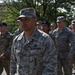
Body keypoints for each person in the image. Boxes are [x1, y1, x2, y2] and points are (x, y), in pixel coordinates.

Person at [10, 7, 57, 75]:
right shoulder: (17, 40)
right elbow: (13, 63)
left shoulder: (45, 39)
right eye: (21, 20)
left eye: (26, 19)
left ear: (35, 20)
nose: (23, 22)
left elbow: (51, 66)